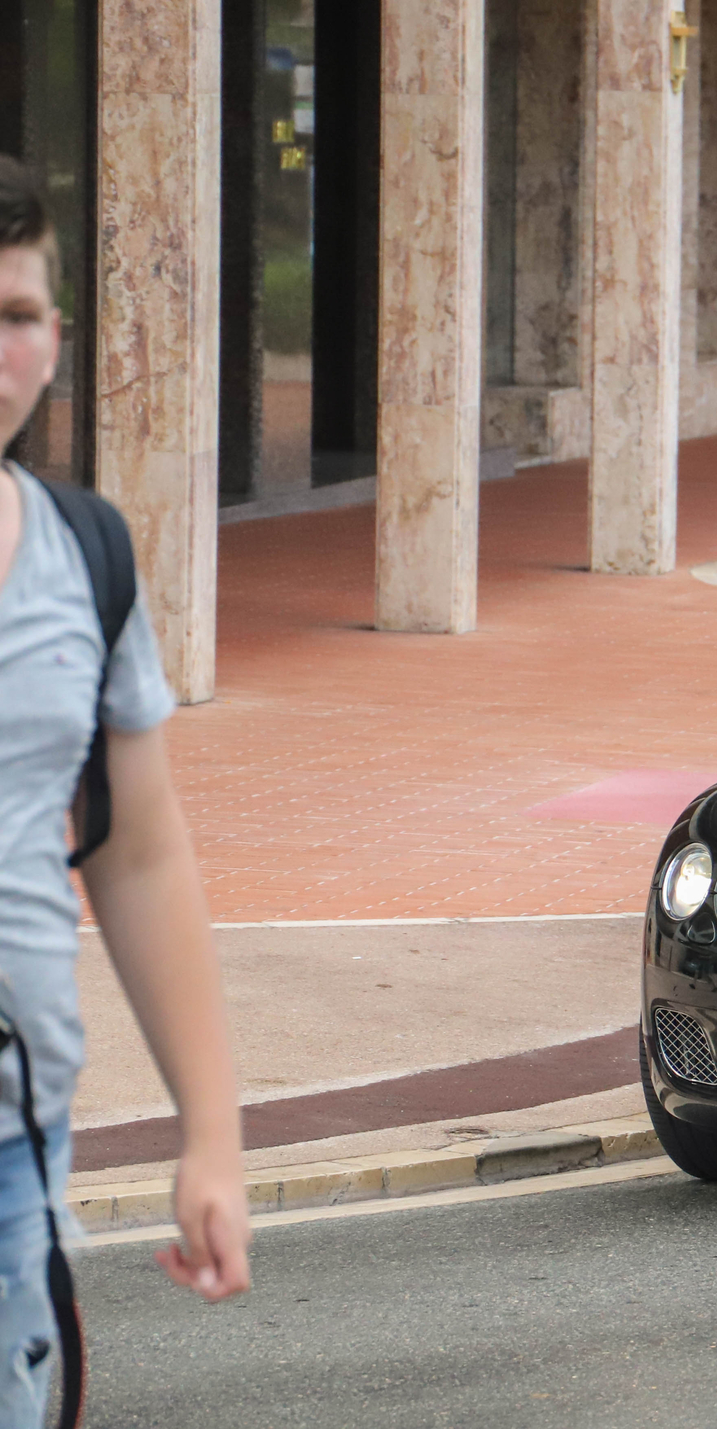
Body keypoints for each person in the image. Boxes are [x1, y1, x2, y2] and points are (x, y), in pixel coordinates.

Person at [0, 155, 249, 1423]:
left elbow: (140, 852)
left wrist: (209, 1132)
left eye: (16, 315)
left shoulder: (82, 554)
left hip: (14, 1155)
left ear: (54, 340)